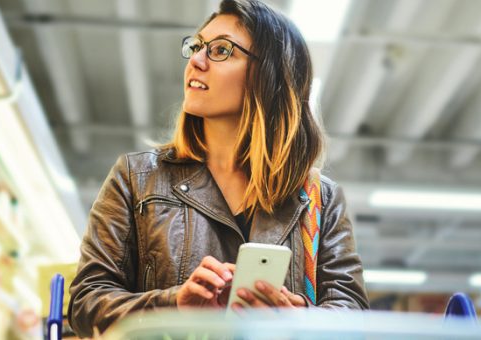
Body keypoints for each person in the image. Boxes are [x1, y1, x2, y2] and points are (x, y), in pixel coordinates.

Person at [67, 0, 368, 336]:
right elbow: (84, 304)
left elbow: (352, 316)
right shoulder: (136, 179)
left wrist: (298, 317)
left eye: (221, 50)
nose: (196, 60)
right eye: (196, 46)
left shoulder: (320, 199)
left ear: (268, 75)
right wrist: (173, 304)